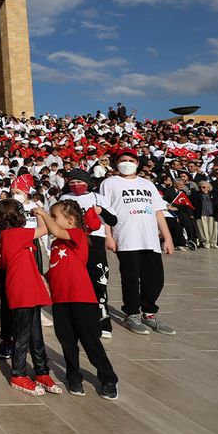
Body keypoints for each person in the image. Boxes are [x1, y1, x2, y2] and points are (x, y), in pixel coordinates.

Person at [35, 202, 119, 400]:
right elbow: (57, 266)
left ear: (70, 220)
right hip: (60, 300)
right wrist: (44, 277)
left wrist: (41, 212)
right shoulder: (56, 244)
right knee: (67, 341)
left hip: (82, 298)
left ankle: (108, 379)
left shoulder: (78, 235)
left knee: (90, 341)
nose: (52, 220)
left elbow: (54, 228)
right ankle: (74, 376)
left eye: (54, 216)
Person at [99, 148, 176, 335]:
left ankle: (149, 314)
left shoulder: (147, 184)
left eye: (130, 159)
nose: (127, 162)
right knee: (131, 278)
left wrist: (168, 238)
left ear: (137, 163)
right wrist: (108, 236)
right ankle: (131, 314)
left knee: (155, 279)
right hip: (126, 237)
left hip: (149, 239)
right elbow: (104, 212)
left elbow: (158, 212)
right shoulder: (109, 183)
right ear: (116, 163)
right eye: (123, 159)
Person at [0, 198, 59, 396]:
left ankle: (41, 371)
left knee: (35, 334)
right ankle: (18, 373)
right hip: (22, 289)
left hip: (29, 287)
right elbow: (47, 230)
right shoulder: (17, 234)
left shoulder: (7, 236)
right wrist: (40, 213)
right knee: (22, 335)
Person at [59, 169, 117, 337]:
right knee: (76, 280)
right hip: (74, 241)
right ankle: (80, 318)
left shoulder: (99, 198)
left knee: (99, 279)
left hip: (94, 242)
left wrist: (102, 212)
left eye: (80, 182)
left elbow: (113, 220)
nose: (76, 185)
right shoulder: (64, 198)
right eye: (72, 182)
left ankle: (103, 319)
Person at [192, 180, 218, 248]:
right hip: (201, 214)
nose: (201, 188)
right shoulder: (196, 195)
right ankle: (205, 242)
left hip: (212, 214)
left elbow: (217, 204)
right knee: (203, 229)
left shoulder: (213, 195)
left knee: (213, 229)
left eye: (203, 187)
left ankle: (213, 242)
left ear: (208, 188)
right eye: (200, 187)